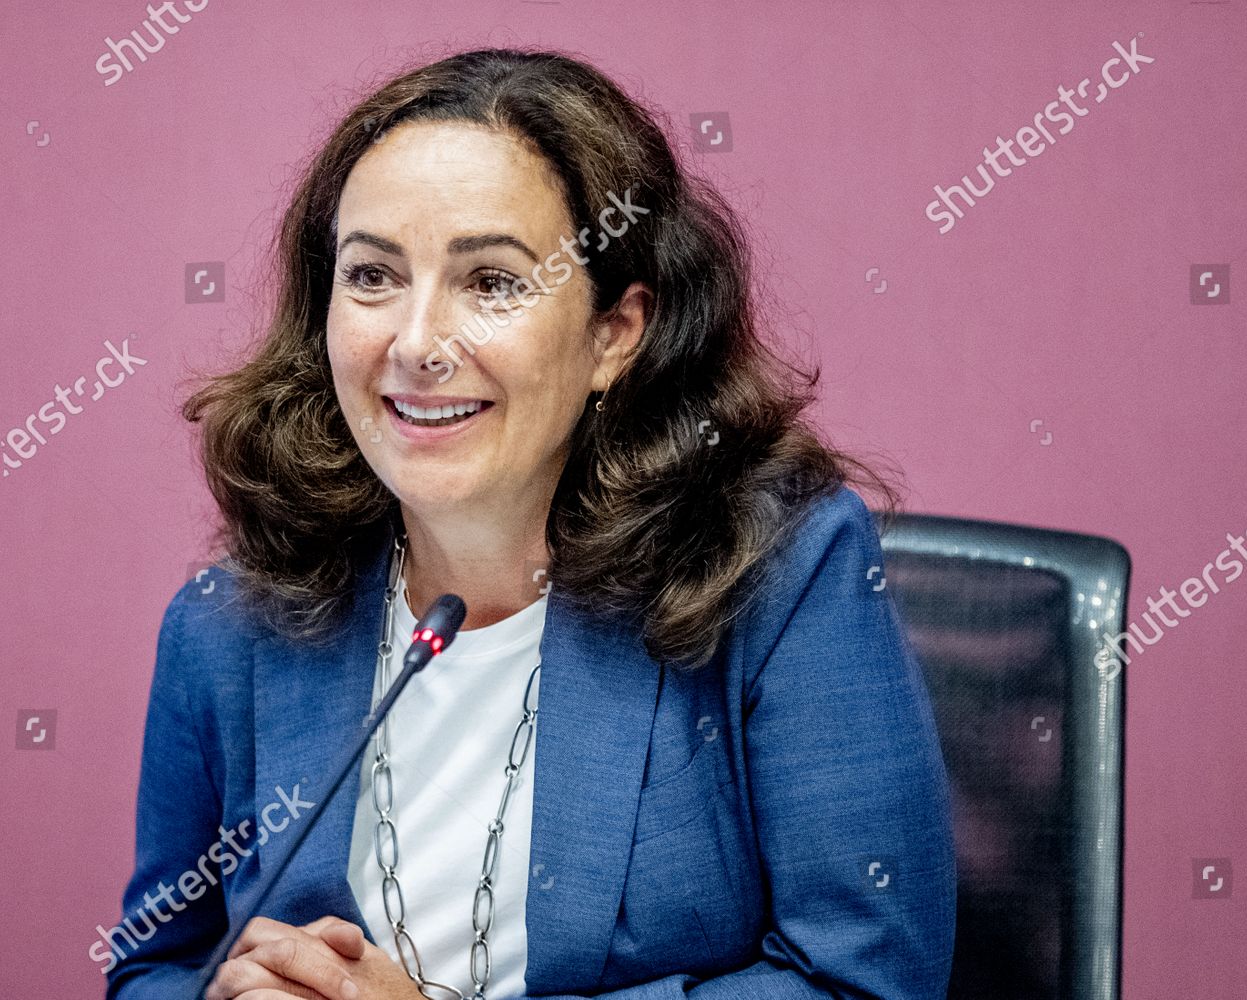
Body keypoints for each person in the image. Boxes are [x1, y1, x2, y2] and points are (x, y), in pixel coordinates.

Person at [103, 47, 956, 1000]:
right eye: (373, 274)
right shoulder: (227, 625)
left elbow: (865, 980)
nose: (418, 344)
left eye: (493, 283)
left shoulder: (782, 572)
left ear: (614, 334)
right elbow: (155, 967)